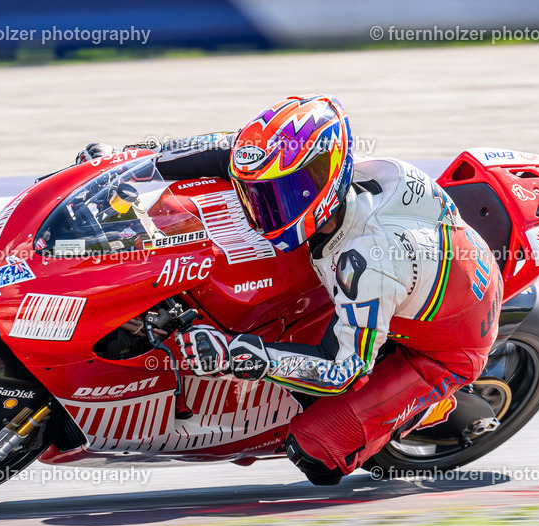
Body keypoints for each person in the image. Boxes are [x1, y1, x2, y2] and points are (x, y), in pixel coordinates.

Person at [78, 94, 502, 485]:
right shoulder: (329, 179)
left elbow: (343, 370)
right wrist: (125, 163)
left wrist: (236, 354)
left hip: (443, 345)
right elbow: (228, 150)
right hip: (422, 269)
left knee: (316, 453)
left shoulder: (365, 262)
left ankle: (435, 406)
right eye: (256, 193)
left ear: (324, 180)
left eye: (281, 194)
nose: (260, 209)